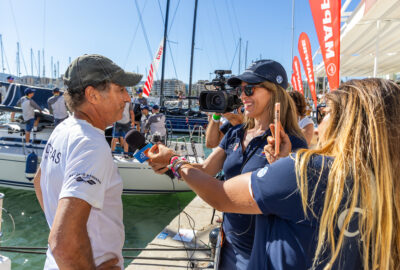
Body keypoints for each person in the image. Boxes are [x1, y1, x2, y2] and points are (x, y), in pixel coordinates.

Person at [148, 78, 400, 270]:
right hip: (230, 244)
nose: (320, 122)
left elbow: (220, 194)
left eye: (326, 113)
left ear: (347, 123)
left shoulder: (305, 168)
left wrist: (174, 161)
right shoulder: (385, 185)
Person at [162, 60, 308, 269]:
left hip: (263, 251)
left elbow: (293, 200)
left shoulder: (291, 142)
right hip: (228, 244)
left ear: (274, 92)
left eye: (250, 89)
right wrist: (169, 162)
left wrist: (281, 163)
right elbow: (206, 170)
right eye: (240, 90)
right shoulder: (235, 133)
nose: (242, 96)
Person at [33, 54, 142, 269]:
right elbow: (63, 245)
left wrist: (61, 229)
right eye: (120, 89)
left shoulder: (64, 128)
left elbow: (39, 182)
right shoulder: (91, 144)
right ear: (92, 94)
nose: (128, 98)